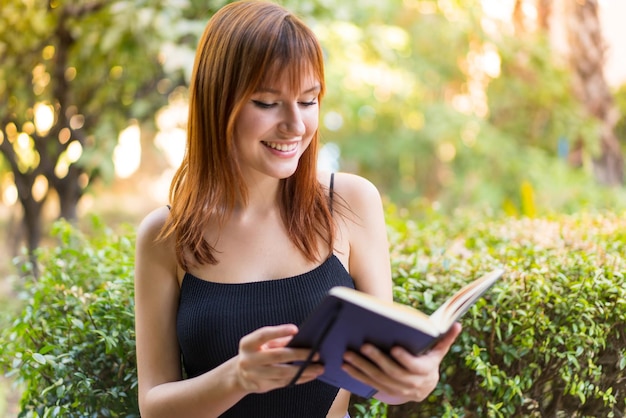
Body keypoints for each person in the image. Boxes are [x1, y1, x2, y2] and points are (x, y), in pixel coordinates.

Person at [133, 1, 462, 417]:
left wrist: (417, 379)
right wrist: (238, 377)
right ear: (217, 103)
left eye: (308, 101)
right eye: (268, 103)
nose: (295, 125)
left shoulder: (351, 204)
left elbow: (381, 380)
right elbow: (154, 406)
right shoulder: (166, 235)